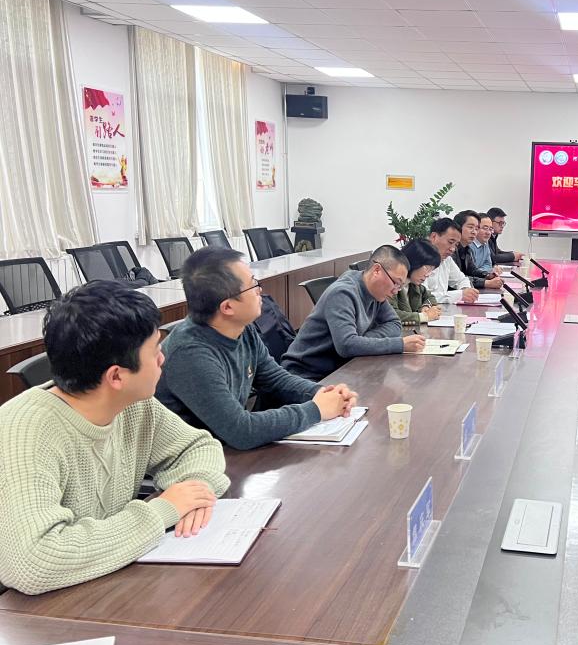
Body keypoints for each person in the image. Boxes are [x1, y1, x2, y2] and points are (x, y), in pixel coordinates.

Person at [0, 280, 230, 595]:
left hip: (106, 582)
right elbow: (34, 562)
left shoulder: (132, 405)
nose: (162, 359)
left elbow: (197, 446)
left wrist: (193, 494)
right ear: (117, 376)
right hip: (39, 611)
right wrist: (163, 510)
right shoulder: (25, 431)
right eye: (155, 350)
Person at [156, 248, 358, 450]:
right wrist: (316, 409)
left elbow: (275, 379)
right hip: (191, 460)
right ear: (227, 307)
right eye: (253, 284)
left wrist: (324, 393)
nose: (260, 290)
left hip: (222, 450)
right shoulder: (190, 354)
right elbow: (241, 430)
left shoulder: (241, 328)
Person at [282, 245, 424, 380]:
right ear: (377, 270)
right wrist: (399, 344)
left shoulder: (377, 293)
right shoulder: (342, 293)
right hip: (305, 375)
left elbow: (395, 324)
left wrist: (362, 340)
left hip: (340, 369)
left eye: (400, 286)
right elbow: (347, 346)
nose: (395, 291)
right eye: (396, 283)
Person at [424, 217, 480, 304]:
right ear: (434, 237)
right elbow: (423, 297)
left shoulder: (447, 259)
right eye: (450, 242)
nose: (453, 249)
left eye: (456, 244)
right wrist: (459, 295)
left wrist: (466, 290)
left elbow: (461, 279)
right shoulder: (419, 258)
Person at [389, 238, 443, 326]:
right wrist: (424, 316)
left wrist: (425, 306)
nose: (428, 274)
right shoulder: (391, 283)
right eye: (427, 268)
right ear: (414, 262)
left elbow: (429, 297)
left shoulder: (414, 285)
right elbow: (391, 314)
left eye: (431, 270)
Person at [454, 209, 502, 290]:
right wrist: (486, 283)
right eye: (470, 227)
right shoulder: (451, 251)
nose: (474, 232)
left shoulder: (466, 248)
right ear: (458, 227)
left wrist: (487, 275)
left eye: (476, 229)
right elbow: (457, 279)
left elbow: (472, 270)